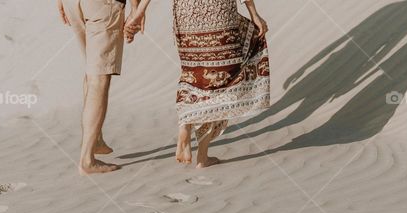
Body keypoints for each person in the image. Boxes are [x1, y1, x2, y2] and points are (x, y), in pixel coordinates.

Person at [125, 0, 270, 168]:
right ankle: (202, 155)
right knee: (220, 84)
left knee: (192, 75)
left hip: (186, 18)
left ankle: (186, 124)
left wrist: (140, 10)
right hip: (220, 14)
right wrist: (254, 14)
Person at [59, 0, 144, 175]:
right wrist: (136, 9)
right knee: (99, 78)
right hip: (102, 6)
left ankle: (96, 139)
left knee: (92, 72)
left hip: (73, 4)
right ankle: (87, 160)